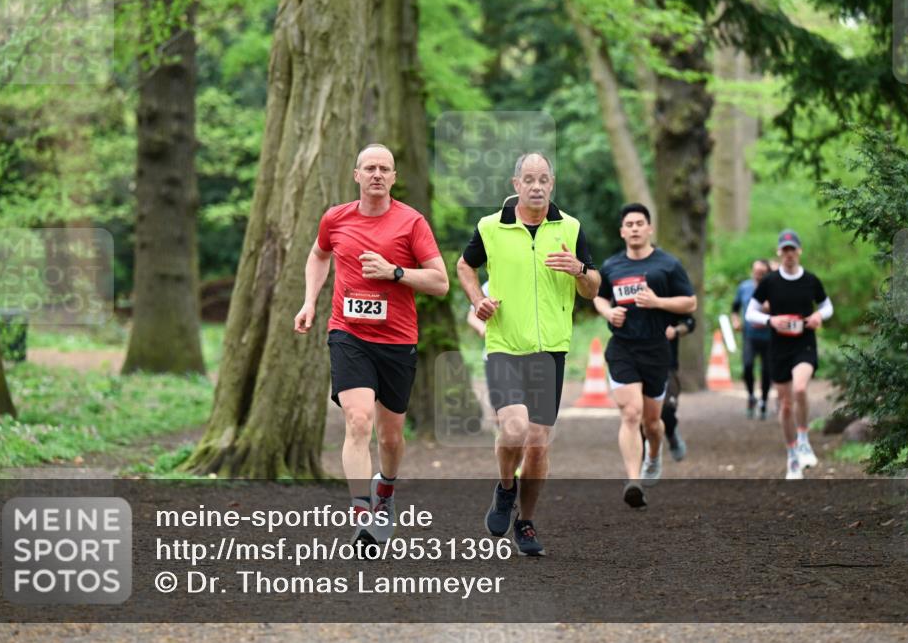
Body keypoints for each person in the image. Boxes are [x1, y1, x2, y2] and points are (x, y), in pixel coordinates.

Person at [294, 143, 449, 544]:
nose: (377, 174)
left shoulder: (411, 223)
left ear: (394, 177)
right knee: (358, 419)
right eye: (370, 168)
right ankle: (362, 509)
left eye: (385, 168)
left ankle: (386, 490)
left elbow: (440, 282)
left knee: (390, 437)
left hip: (397, 340)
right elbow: (318, 255)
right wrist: (310, 301)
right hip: (348, 334)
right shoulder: (336, 218)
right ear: (357, 175)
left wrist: (395, 272)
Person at [457, 152, 600, 556]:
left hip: (550, 350)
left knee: (538, 444)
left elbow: (593, 286)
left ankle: (527, 522)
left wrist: (579, 270)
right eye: (528, 179)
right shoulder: (490, 227)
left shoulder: (570, 228)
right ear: (515, 183)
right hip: (504, 345)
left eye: (543, 179)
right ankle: (506, 490)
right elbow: (465, 267)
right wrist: (476, 301)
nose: (536, 186)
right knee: (515, 429)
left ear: (552, 183)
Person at [593, 204, 697, 508]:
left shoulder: (668, 265)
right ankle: (633, 480)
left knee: (653, 423)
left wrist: (658, 301)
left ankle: (654, 453)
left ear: (649, 229)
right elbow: (598, 297)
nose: (635, 228)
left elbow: (689, 303)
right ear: (622, 231)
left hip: (656, 350)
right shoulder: (611, 266)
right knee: (630, 413)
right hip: (623, 348)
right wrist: (609, 311)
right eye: (630, 224)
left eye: (640, 223)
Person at [745, 229, 834, 480]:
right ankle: (793, 456)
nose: (789, 254)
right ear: (779, 253)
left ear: (799, 251)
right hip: (779, 347)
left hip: (804, 343)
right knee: (785, 406)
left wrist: (818, 316)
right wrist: (771, 320)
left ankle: (804, 438)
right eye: (785, 250)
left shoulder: (811, 280)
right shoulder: (770, 282)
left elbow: (827, 306)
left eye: (792, 249)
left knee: (801, 390)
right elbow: (750, 313)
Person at [731, 259, 772, 420]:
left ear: (767, 274)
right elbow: (735, 308)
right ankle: (750, 396)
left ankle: (763, 401)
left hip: (769, 337)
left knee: (767, 371)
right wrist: (735, 320)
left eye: (762, 273)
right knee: (747, 366)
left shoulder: (773, 288)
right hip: (749, 335)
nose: (758, 275)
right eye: (756, 272)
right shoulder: (744, 287)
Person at [661, 313, 696, 461]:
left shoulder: (671, 294)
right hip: (637, 361)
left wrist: (675, 330)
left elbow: (690, 322)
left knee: (666, 409)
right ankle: (641, 464)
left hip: (667, 363)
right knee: (637, 412)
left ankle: (671, 432)